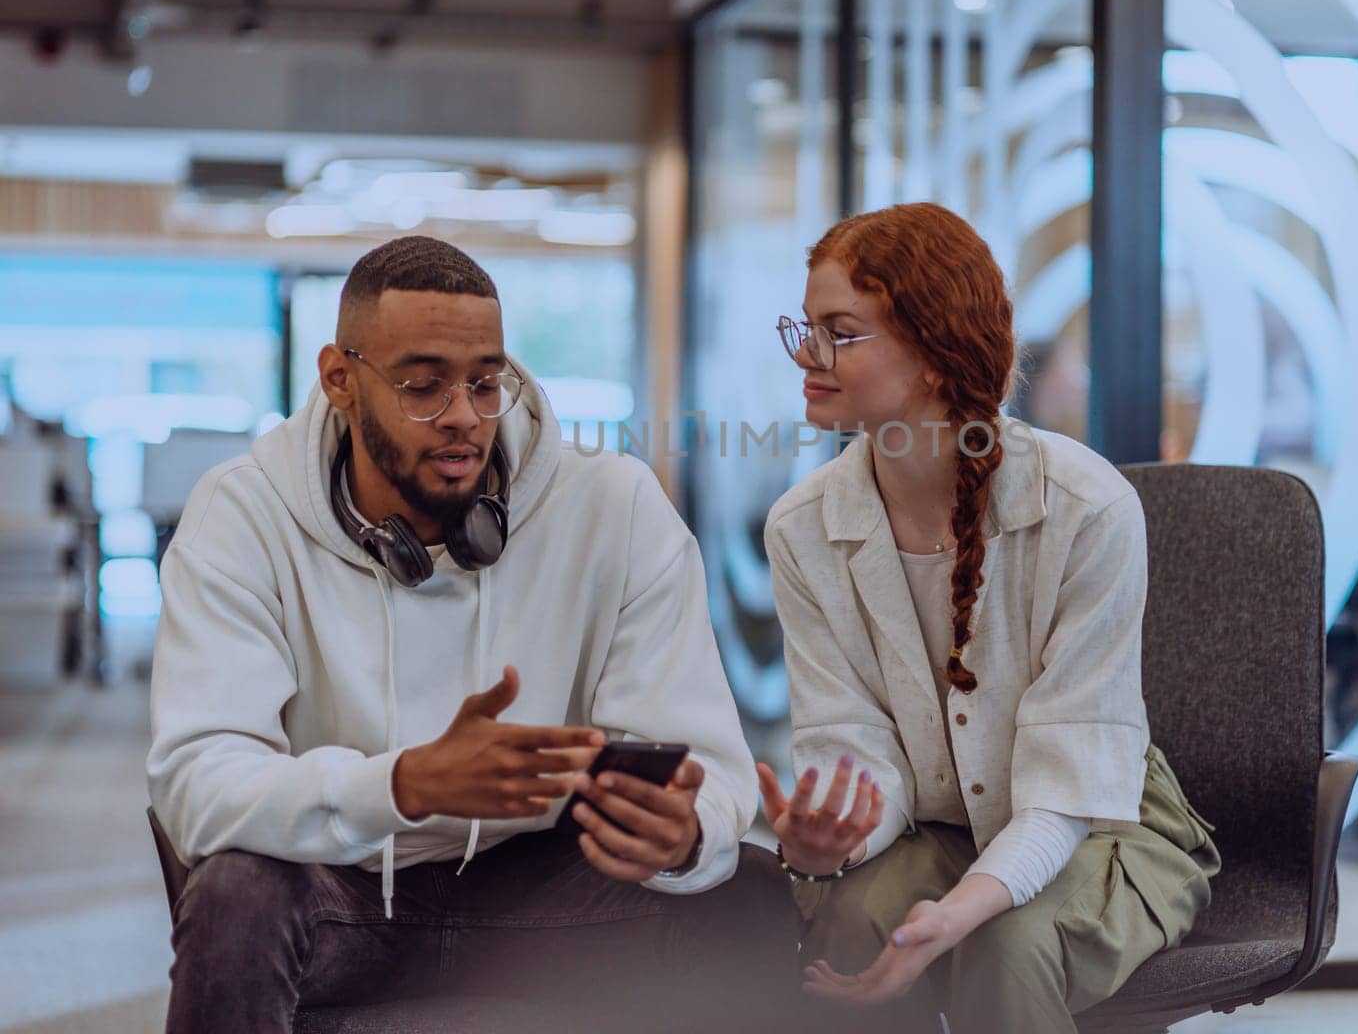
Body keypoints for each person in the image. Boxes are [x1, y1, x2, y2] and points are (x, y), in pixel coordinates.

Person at [147, 235, 795, 1033]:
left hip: (541, 897)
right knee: (236, 894)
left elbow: (711, 769)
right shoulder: (242, 515)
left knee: (754, 896)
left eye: (486, 384)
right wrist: (403, 784)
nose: (463, 418)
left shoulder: (614, 508)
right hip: (340, 890)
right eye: (423, 386)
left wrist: (684, 835)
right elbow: (195, 785)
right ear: (339, 380)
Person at [754, 203, 1220, 1033]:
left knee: (1004, 946)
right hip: (933, 824)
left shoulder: (1086, 506)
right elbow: (857, 752)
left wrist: (961, 911)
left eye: (841, 332)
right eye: (806, 326)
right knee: (855, 921)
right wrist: (835, 841)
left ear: (934, 355)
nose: (807, 354)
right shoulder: (800, 527)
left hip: (1095, 823)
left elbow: (1065, 793)